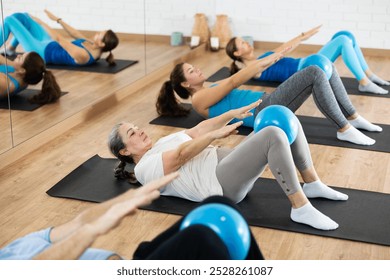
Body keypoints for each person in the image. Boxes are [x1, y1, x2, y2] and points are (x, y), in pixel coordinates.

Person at [109, 101, 349, 231]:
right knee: (273, 134)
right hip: (218, 183)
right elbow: (180, 156)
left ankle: (313, 183)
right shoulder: (143, 170)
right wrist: (215, 136)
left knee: (283, 116)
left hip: (225, 163)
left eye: (136, 126)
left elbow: (197, 131)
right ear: (125, 151)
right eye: (132, 132)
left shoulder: (161, 142)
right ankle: (300, 208)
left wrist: (232, 113)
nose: (139, 130)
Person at [0, 173, 264, 260]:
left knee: (218, 205)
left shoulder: (11, 250)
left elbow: (78, 223)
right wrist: (92, 232)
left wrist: (127, 198)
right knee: (201, 237)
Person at [156, 57, 381, 146]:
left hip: (267, 102)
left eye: (194, 66)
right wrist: (262, 63)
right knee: (313, 72)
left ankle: (352, 117)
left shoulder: (208, 88)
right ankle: (344, 127)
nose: (197, 69)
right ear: (185, 84)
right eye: (191, 71)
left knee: (323, 67)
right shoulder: (198, 99)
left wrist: (272, 58)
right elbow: (234, 81)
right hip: (264, 110)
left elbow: (232, 81)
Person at [226, 25, 389, 94]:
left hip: (306, 62)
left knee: (345, 35)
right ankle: (364, 83)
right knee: (342, 41)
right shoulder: (253, 69)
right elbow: (234, 81)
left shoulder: (261, 57)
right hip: (306, 70)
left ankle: (369, 74)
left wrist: (303, 36)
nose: (247, 42)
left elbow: (283, 46)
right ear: (237, 53)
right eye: (243, 43)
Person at [0, 10, 119, 67]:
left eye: (100, 35)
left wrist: (41, 22)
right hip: (48, 43)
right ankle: (10, 49)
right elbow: (75, 34)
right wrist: (58, 20)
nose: (97, 34)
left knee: (10, 21)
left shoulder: (84, 55)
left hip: (42, 53)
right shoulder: (92, 45)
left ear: (102, 44)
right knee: (23, 17)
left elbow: (59, 39)